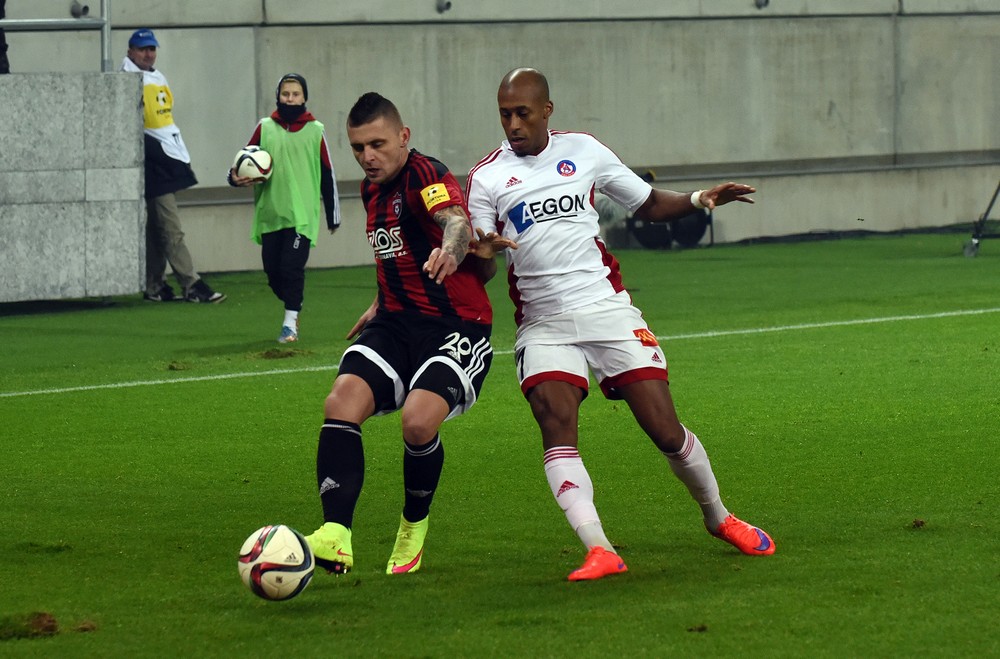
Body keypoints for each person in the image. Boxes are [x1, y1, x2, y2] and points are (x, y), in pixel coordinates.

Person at [466, 67, 775, 581]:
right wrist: (482, 253)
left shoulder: (584, 150)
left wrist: (699, 199)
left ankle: (719, 518)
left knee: (665, 430)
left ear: (546, 111)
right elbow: (483, 264)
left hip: (607, 310)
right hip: (543, 323)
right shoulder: (487, 178)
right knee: (555, 424)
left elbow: (647, 203)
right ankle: (599, 548)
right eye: (504, 115)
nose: (513, 124)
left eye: (522, 113)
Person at [305, 92, 512, 576]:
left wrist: (452, 250)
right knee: (340, 402)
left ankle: (413, 524)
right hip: (396, 323)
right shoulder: (370, 189)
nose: (367, 156)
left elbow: (454, 221)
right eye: (358, 148)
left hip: (456, 326)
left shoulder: (425, 174)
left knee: (418, 423)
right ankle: (335, 535)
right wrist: (381, 299)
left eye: (377, 144)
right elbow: (395, 251)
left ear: (403, 136)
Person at [229, 73, 341, 343]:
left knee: (291, 268)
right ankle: (293, 300)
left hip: (302, 217)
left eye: (295, 94)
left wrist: (332, 215)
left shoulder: (316, 130)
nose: (290, 99)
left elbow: (328, 173)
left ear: (304, 98)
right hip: (270, 214)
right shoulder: (265, 127)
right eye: (285, 94)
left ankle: (290, 323)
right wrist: (233, 178)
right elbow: (243, 161)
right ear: (278, 96)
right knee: (274, 273)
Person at [121, 28, 225, 303]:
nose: (148, 54)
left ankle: (155, 286)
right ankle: (191, 284)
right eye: (142, 49)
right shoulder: (125, 80)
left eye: (152, 48)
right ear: (130, 51)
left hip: (164, 156)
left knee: (158, 228)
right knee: (170, 227)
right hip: (150, 158)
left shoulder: (157, 76)